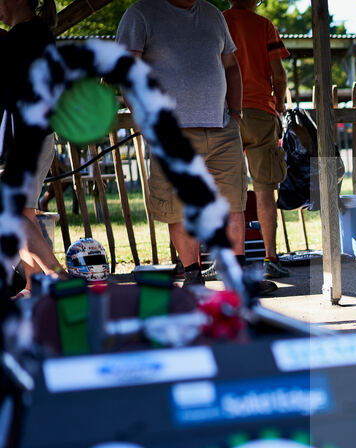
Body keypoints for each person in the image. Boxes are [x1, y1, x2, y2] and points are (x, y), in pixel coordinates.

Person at [116, 0, 269, 291]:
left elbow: (231, 67)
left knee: (233, 204)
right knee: (179, 208)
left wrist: (235, 114)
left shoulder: (212, 14)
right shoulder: (141, 13)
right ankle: (193, 278)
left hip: (222, 127)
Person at [0, 0, 67, 296]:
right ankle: (33, 282)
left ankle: (58, 275)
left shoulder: (22, 37)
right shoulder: (36, 33)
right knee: (23, 213)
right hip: (36, 138)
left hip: (25, 140)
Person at [223, 0, 290, 280]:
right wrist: (280, 102)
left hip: (226, 112)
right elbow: (279, 73)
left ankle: (229, 260)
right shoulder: (264, 25)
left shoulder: (218, 21)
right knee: (264, 189)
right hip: (261, 111)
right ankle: (270, 257)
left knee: (227, 189)